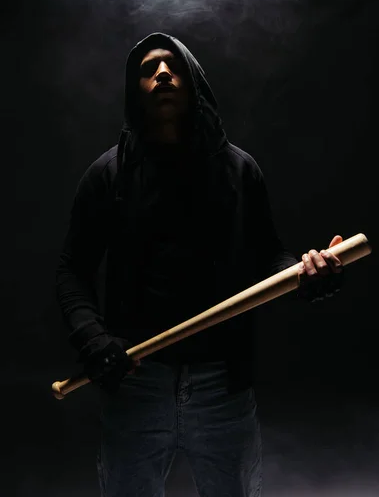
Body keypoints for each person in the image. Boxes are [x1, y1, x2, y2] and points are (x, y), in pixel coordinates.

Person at [55, 32, 344, 497]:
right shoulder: (107, 175)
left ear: (193, 84)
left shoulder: (239, 170)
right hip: (135, 381)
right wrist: (94, 339)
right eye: (149, 69)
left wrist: (306, 274)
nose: (163, 73)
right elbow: (72, 269)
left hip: (222, 386)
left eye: (173, 66)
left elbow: (272, 256)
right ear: (136, 90)